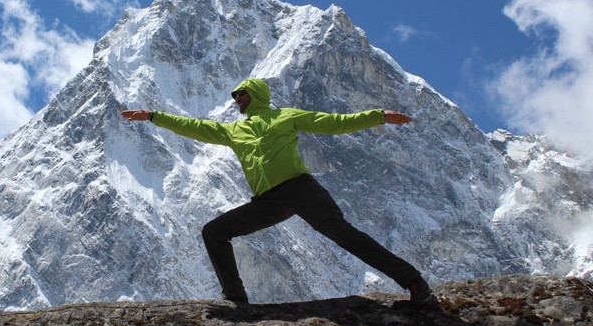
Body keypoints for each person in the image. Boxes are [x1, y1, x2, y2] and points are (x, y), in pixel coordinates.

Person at [121, 78, 436, 307]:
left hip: (301, 189)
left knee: (345, 235)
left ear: (255, 93)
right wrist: (153, 117)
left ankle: (413, 281)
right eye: (234, 96)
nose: (236, 99)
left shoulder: (285, 116)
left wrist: (378, 116)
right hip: (267, 201)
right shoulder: (233, 131)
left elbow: (334, 123)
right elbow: (194, 127)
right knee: (214, 232)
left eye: (240, 93)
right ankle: (235, 299)